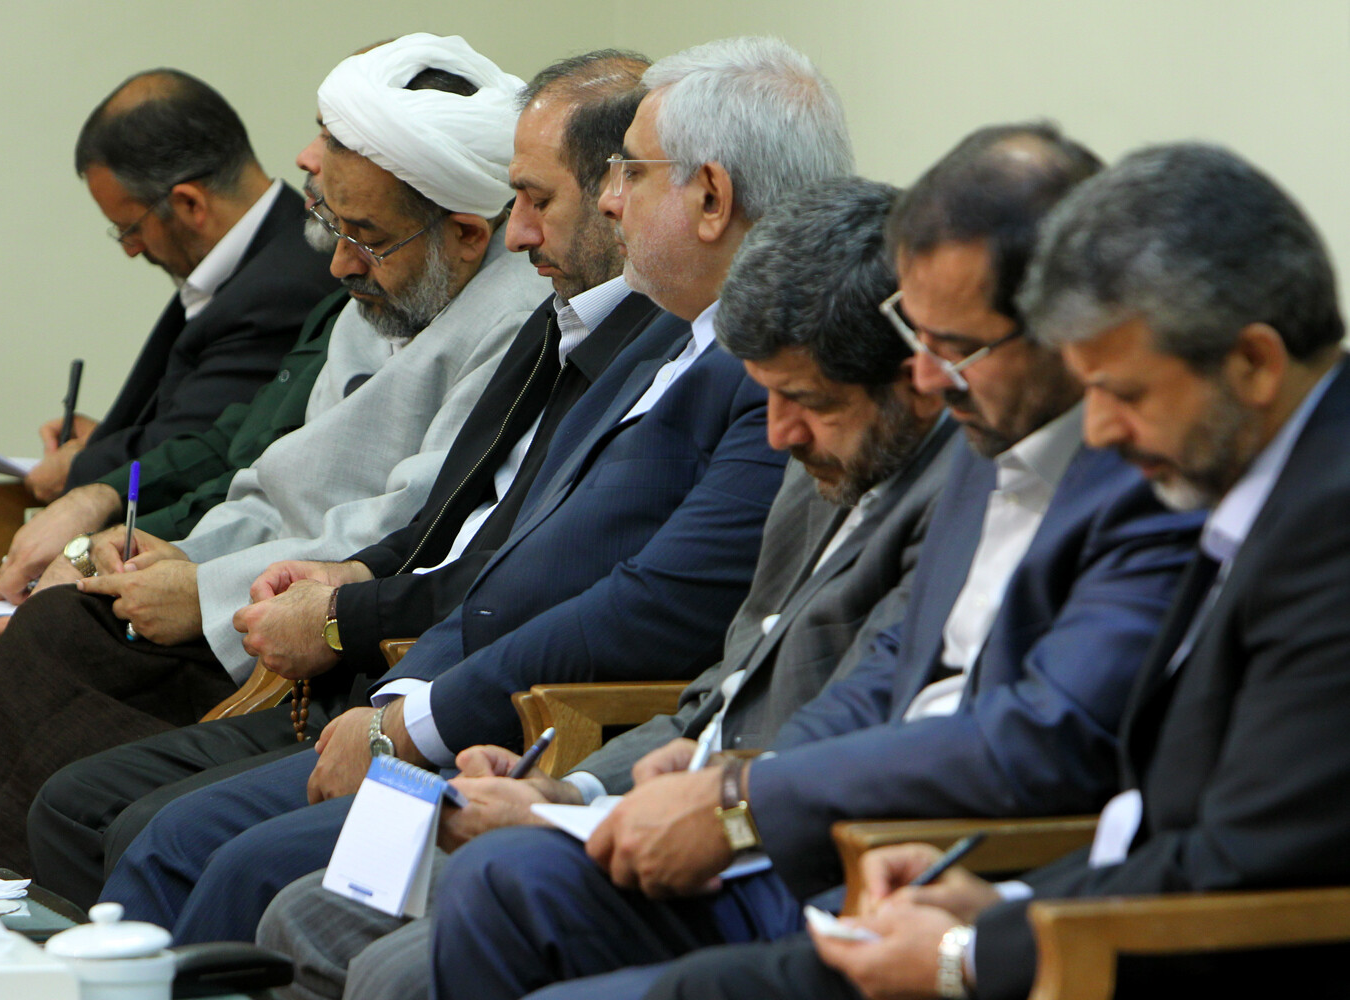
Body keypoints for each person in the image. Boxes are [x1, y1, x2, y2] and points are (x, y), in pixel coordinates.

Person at [95, 34, 847, 948]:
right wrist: (400, 695)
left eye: (629, 175)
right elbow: (500, 548)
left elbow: (656, 605)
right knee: (183, 841)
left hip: (554, 731)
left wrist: (418, 721)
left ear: (712, 197)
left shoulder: (769, 377)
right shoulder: (669, 339)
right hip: (490, 713)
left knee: (225, 864)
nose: (611, 201)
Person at [423, 122, 1204, 1000]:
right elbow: (888, 670)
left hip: (945, 879)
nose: (928, 378)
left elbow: (1044, 735)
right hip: (827, 840)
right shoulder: (986, 440)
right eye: (920, 338)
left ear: (1068, 326)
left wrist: (748, 804)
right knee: (504, 884)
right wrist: (734, 778)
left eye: (955, 349)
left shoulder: (1145, 481)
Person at [651, 141, 1350, 1000]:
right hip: (1061, 910)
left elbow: (1245, 871)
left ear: (1254, 364)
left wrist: (972, 951)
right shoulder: (1270, 482)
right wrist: (999, 906)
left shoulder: (1326, 529)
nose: (1100, 431)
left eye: (1125, 393)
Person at [256, 173, 962, 1000]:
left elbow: (853, 727)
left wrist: (612, 811)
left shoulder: (952, 504)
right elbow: (719, 697)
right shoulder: (819, 470)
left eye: (804, 400)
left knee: (400, 962)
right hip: (653, 794)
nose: (779, 433)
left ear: (916, 373)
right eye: (769, 396)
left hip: (770, 853)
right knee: (308, 914)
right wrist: (570, 787)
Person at [0, 34, 551, 862]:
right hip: (252, 591)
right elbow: (275, 481)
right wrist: (180, 558)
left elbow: (407, 525)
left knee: (63, 675)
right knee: (65, 620)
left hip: (315, 635)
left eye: (366, 235)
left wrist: (203, 591)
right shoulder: (386, 288)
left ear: (467, 235)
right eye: (333, 225)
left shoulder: (514, 324)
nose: (340, 263)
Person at [26, 48, 658, 909]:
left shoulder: (620, 342)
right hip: (369, 655)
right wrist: (329, 582)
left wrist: (346, 636)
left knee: (159, 833)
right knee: (83, 781)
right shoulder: (562, 321)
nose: (518, 234)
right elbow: (429, 523)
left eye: (536, 202)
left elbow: (542, 581)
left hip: (445, 692)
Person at [0, 68, 339, 618]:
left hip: (164, 574)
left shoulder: (287, 283)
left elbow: (200, 447)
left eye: (130, 229)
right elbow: (198, 415)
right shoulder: (255, 262)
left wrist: (80, 468)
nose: (130, 250)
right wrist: (104, 439)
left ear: (188, 204)